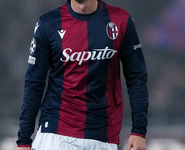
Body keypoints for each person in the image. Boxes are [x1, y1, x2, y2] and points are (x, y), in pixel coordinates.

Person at [16, 0, 148, 150]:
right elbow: (34, 83)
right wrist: (24, 140)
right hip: (55, 133)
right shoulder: (49, 23)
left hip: (103, 136)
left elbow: (137, 78)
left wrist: (139, 131)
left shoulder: (121, 20)